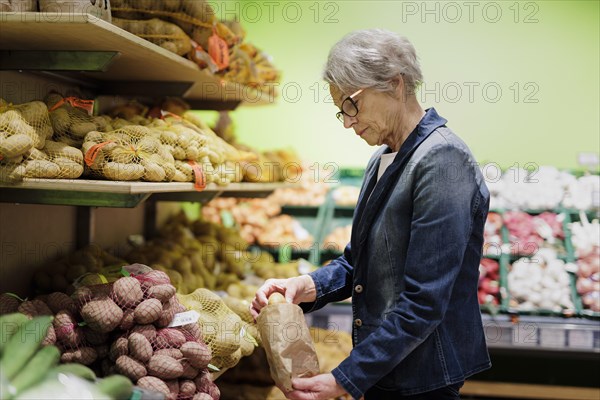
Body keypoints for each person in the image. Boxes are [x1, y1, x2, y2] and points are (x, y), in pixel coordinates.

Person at [251, 29, 491, 400]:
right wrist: (304, 287)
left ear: (394, 85)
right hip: (389, 368)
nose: (347, 121)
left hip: (423, 376)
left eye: (352, 104)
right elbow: (358, 262)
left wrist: (344, 378)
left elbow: (423, 301)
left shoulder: (443, 161)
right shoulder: (382, 159)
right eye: (340, 110)